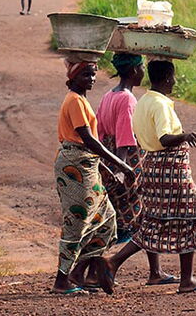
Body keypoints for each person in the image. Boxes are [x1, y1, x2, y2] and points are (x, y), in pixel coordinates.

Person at [109, 59, 196, 293]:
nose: (174, 81)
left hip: (152, 166)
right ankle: (187, 280)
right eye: (173, 77)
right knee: (190, 216)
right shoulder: (160, 104)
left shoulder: (144, 101)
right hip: (171, 170)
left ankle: (113, 263)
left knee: (154, 222)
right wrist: (185, 136)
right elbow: (165, 137)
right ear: (168, 77)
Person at [52, 60, 136, 295]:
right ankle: (62, 280)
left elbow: (89, 147)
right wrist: (122, 165)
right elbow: (88, 140)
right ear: (73, 77)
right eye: (85, 74)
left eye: (93, 74)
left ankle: (81, 272)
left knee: (106, 219)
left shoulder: (81, 101)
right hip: (75, 166)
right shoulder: (75, 101)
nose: (91, 79)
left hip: (85, 165)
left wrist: (107, 171)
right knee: (77, 223)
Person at [96, 54, 180, 287]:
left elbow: (101, 133)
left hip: (110, 161)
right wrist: (123, 169)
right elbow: (125, 139)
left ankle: (155, 271)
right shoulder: (128, 100)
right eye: (141, 67)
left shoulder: (108, 96)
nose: (143, 72)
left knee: (141, 218)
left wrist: (106, 165)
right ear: (134, 71)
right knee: (137, 221)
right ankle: (96, 268)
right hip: (128, 164)